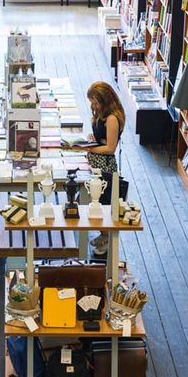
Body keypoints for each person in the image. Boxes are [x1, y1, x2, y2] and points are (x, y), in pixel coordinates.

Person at [86, 81, 125, 256]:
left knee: (103, 202)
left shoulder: (111, 119)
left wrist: (90, 148)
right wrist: (93, 139)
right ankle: (103, 235)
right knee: (97, 202)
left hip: (105, 167)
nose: (93, 106)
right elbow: (101, 139)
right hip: (96, 163)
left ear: (104, 100)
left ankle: (107, 239)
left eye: (95, 102)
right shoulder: (102, 114)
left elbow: (110, 148)